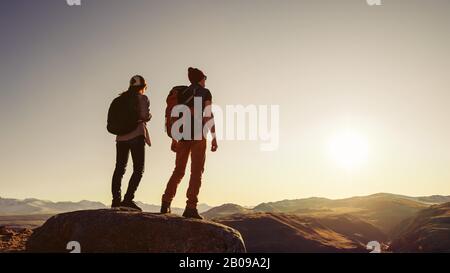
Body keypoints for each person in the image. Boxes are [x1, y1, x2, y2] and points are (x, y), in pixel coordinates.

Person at [161, 67, 218, 219]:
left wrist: (174, 138)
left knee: (178, 171)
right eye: (204, 77)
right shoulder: (204, 92)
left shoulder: (183, 93)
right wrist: (214, 137)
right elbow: (207, 115)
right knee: (196, 171)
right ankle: (190, 207)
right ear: (200, 79)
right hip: (198, 135)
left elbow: (173, 115)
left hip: (182, 136)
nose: (205, 80)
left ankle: (165, 203)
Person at [111, 75, 151, 211]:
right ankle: (128, 200)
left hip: (121, 138)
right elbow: (145, 116)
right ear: (142, 87)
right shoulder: (142, 98)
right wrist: (148, 116)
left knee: (119, 169)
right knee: (138, 169)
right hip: (136, 135)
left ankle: (116, 200)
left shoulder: (118, 100)